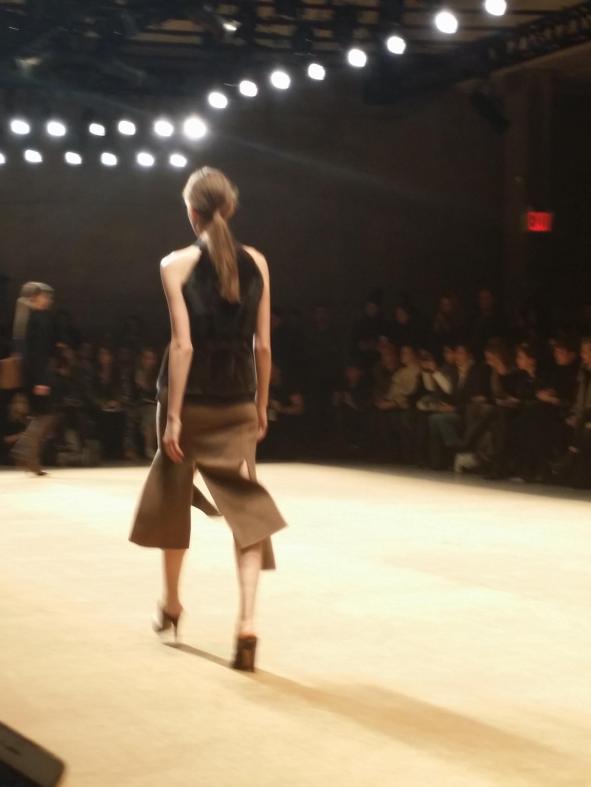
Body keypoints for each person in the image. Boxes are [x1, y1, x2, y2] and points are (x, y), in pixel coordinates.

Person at [130, 167, 287, 672]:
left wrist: (174, 417)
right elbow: (263, 345)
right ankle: (247, 624)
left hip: (191, 400)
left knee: (173, 498)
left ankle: (172, 605)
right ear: (230, 209)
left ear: (191, 212)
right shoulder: (258, 262)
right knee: (246, 508)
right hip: (238, 398)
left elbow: (183, 345)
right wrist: (261, 404)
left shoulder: (174, 264)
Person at [12, 283, 56, 475]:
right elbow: (37, 352)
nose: (48, 299)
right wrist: (41, 380)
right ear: (34, 297)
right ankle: (24, 451)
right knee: (45, 415)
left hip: (30, 373)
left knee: (40, 416)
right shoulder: (37, 318)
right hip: (37, 374)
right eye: (44, 296)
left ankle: (31, 459)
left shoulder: (25, 316)